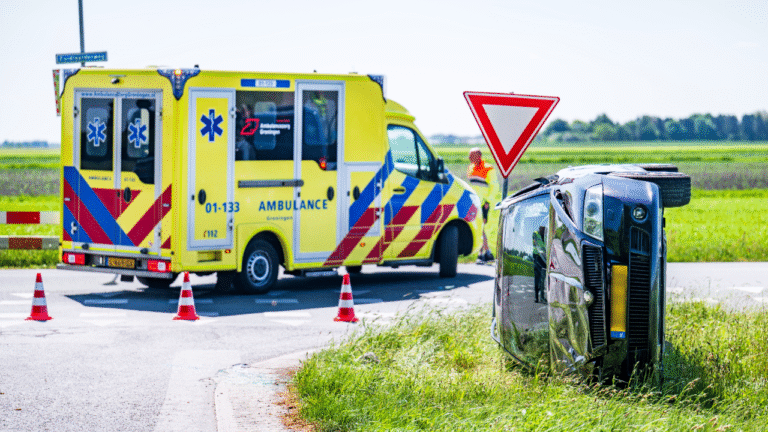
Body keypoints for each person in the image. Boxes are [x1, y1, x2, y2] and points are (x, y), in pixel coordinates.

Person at [467, 147, 498, 262]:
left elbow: (495, 187)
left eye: (472, 155)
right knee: (479, 227)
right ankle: (484, 253)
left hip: (483, 203)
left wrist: (488, 201)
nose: (469, 158)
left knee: (481, 227)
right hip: (473, 203)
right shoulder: (470, 168)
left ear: (478, 156)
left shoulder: (488, 168)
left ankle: (485, 253)